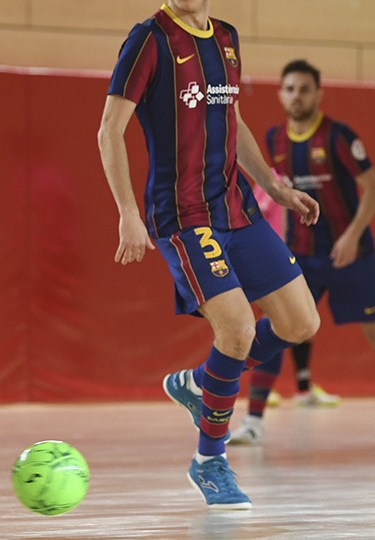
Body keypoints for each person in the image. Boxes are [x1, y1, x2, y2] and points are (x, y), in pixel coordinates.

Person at [97, 0, 321, 509]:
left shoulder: (227, 37)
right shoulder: (148, 40)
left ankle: (203, 382)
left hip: (237, 209)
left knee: (301, 323)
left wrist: (275, 187)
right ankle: (209, 461)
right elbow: (109, 129)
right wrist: (127, 212)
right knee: (238, 330)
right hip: (183, 216)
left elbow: (233, 121)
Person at [231, 60, 375, 445]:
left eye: (305, 89)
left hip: (351, 254)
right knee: (280, 325)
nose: (297, 96)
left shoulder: (339, 137)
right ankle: (253, 421)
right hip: (300, 254)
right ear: (280, 93)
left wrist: (351, 235)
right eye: (290, 89)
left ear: (318, 93)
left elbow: (371, 187)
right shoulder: (274, 139)